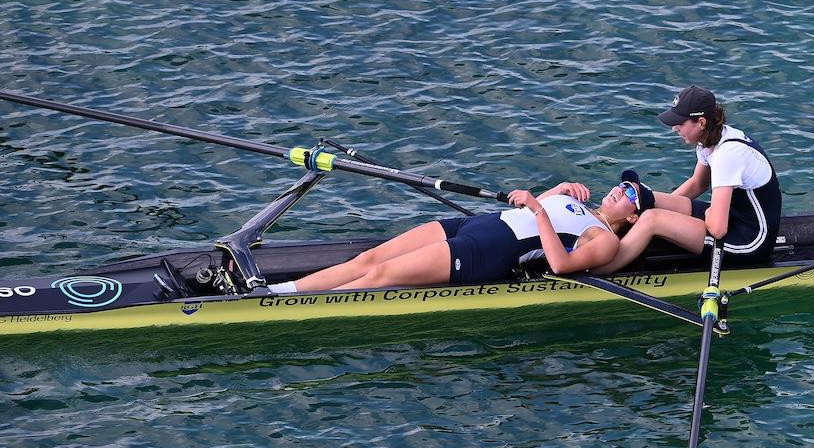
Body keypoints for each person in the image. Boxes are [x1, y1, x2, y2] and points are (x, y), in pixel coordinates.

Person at [268, 176, 655, 293]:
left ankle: (297, 307)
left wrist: (539, 207)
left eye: (630, 194)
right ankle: (279, 292)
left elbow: (560, 263)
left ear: (634, 216)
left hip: (486, 252)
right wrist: (555, 192)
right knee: (368, 259)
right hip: (476, 224)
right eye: (622, 184)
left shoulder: (605, 239)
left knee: (380, 276)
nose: (620, 190)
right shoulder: (578, 201)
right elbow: (529, 209)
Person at [594, 86, 782, 274]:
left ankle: (600, 269)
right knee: (647, 197)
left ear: (701, 122)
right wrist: (664, 210)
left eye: (680, 123)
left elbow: (718, 229)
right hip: (732, 217)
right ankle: (599, 233)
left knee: (652, 219)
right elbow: (698, 183)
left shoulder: (727, 155)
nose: (674, 128)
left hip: (750, 241)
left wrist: (666, 218)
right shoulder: (711, 139)